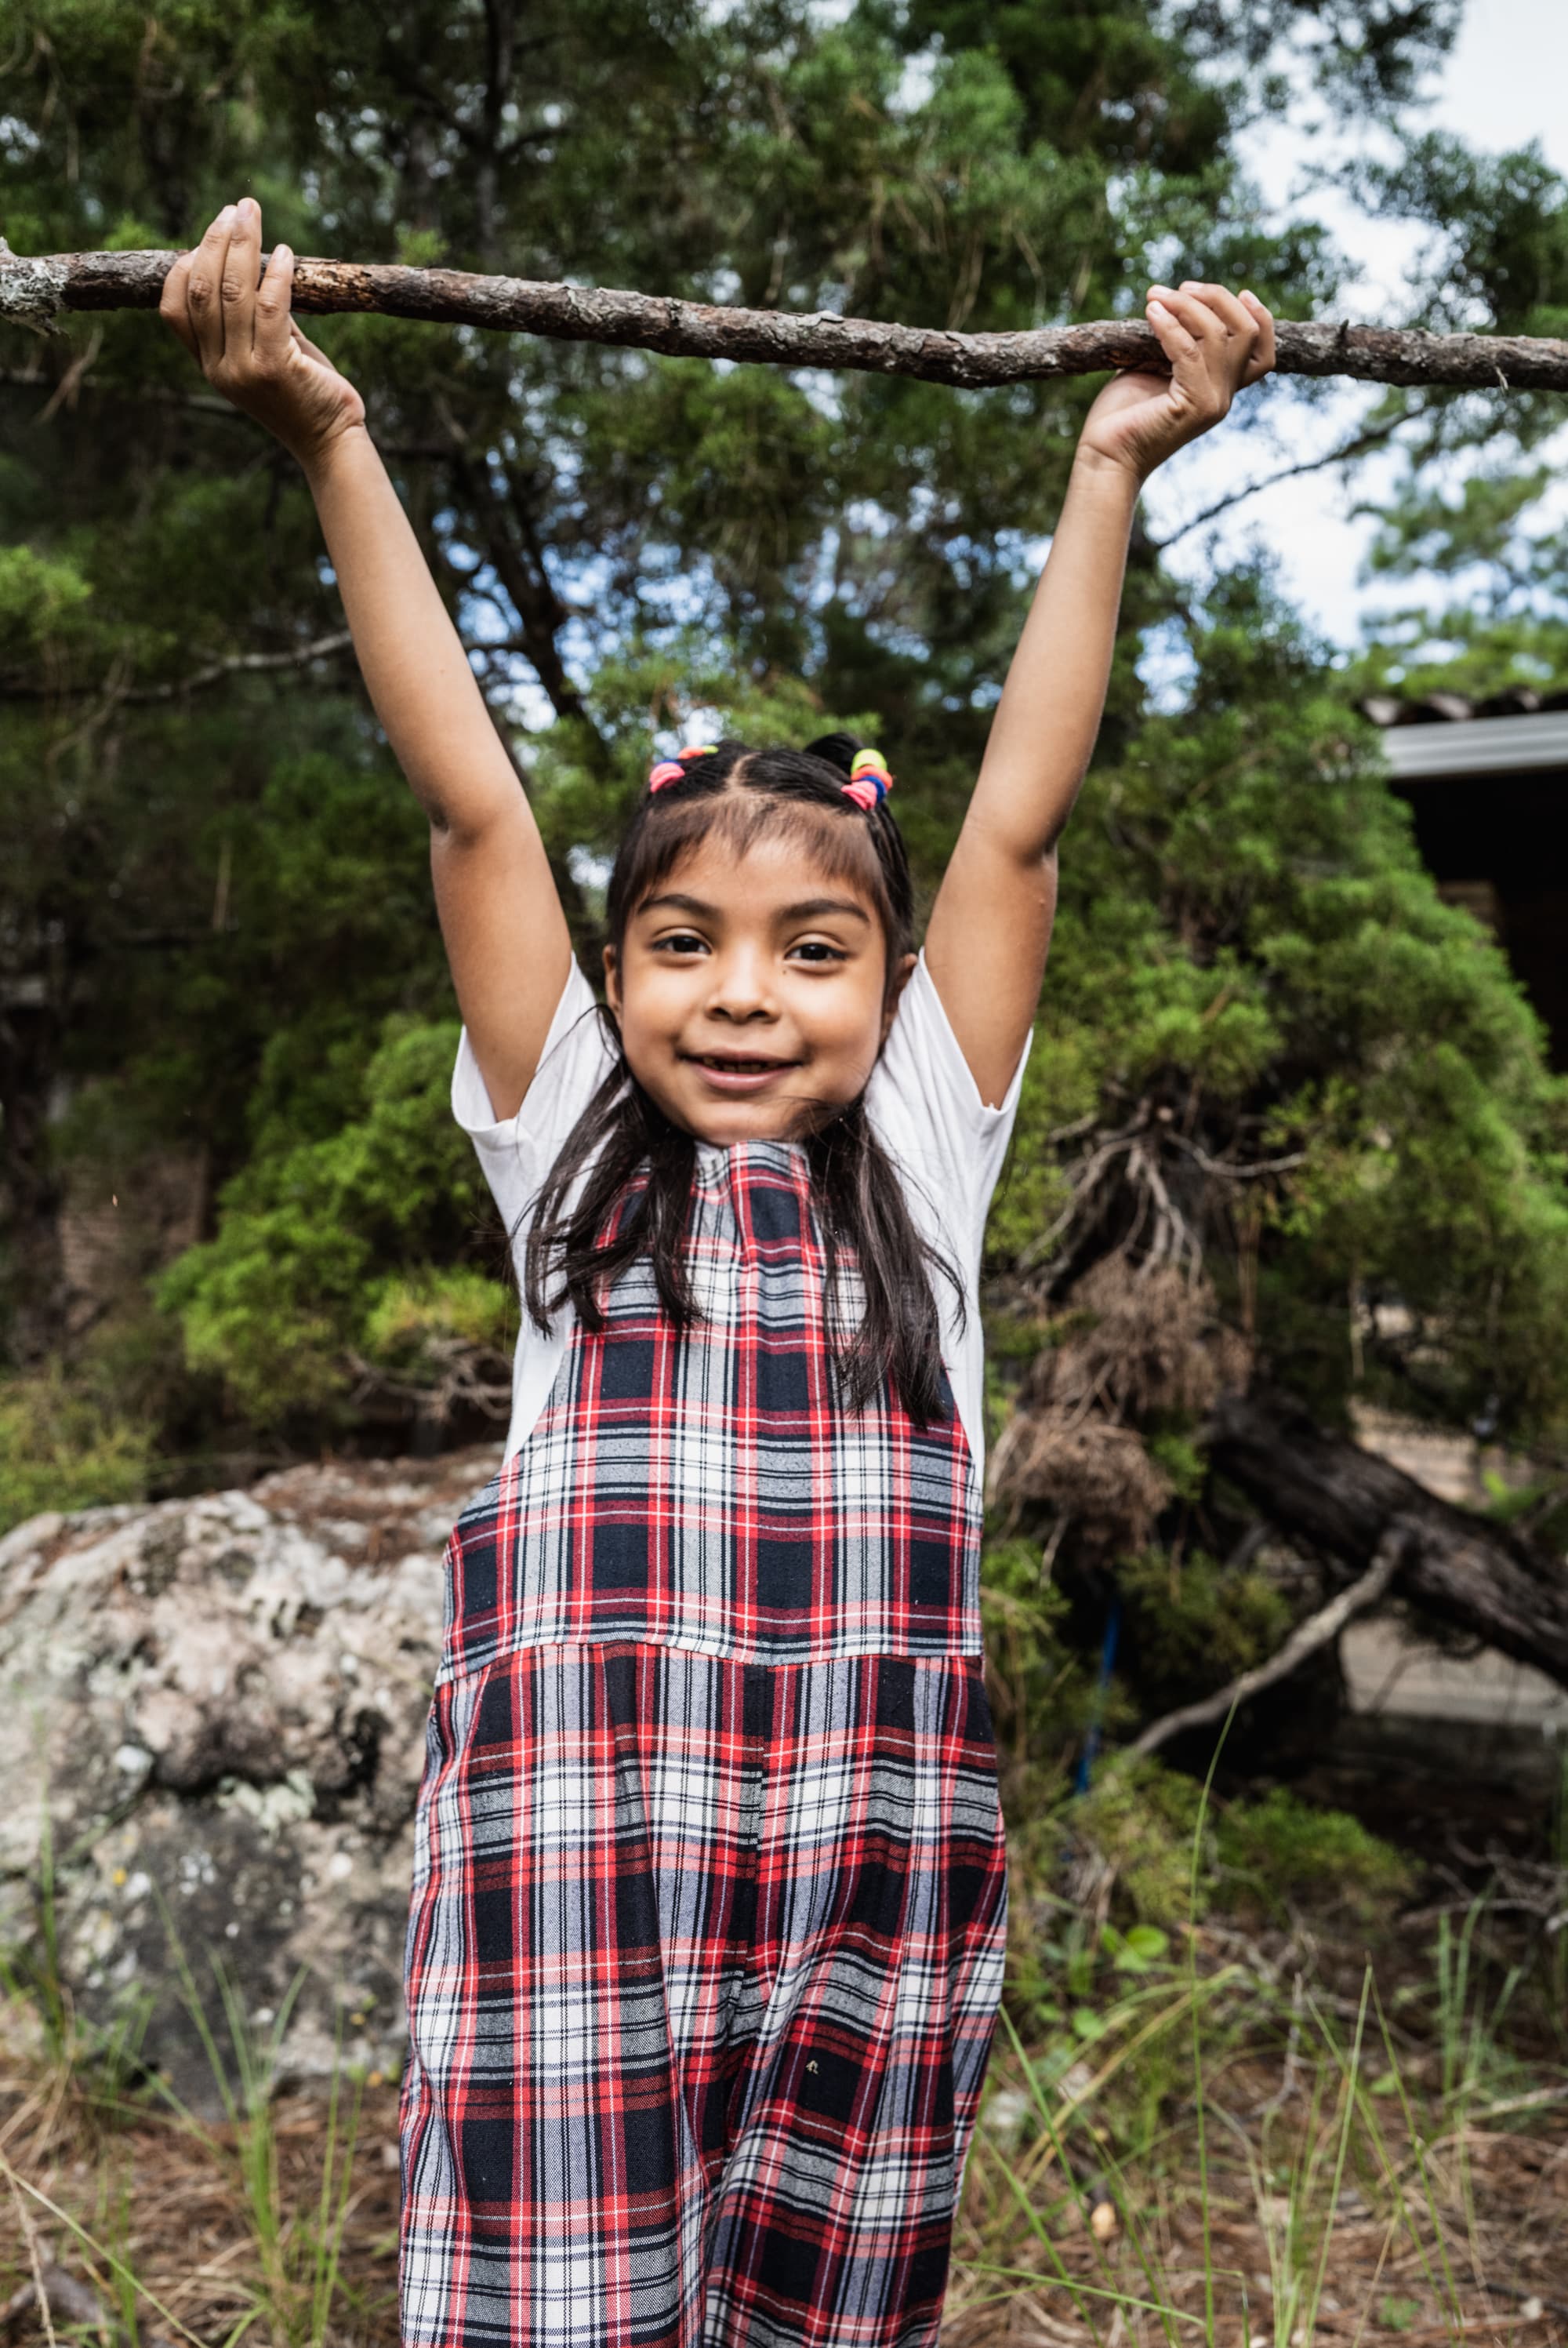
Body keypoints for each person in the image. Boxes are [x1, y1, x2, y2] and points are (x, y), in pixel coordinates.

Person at [162, 198, 1274, 2348]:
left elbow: (1017, 827)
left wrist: (1110, 469)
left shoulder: (926, 1152)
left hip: (862, 1883)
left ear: (888, 980)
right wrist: (326, 437)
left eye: (813, 947)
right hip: (582, 1886)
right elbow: (477, 808)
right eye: (684, 942)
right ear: (614, 972)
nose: (744, 996)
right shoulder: (569, 1134)